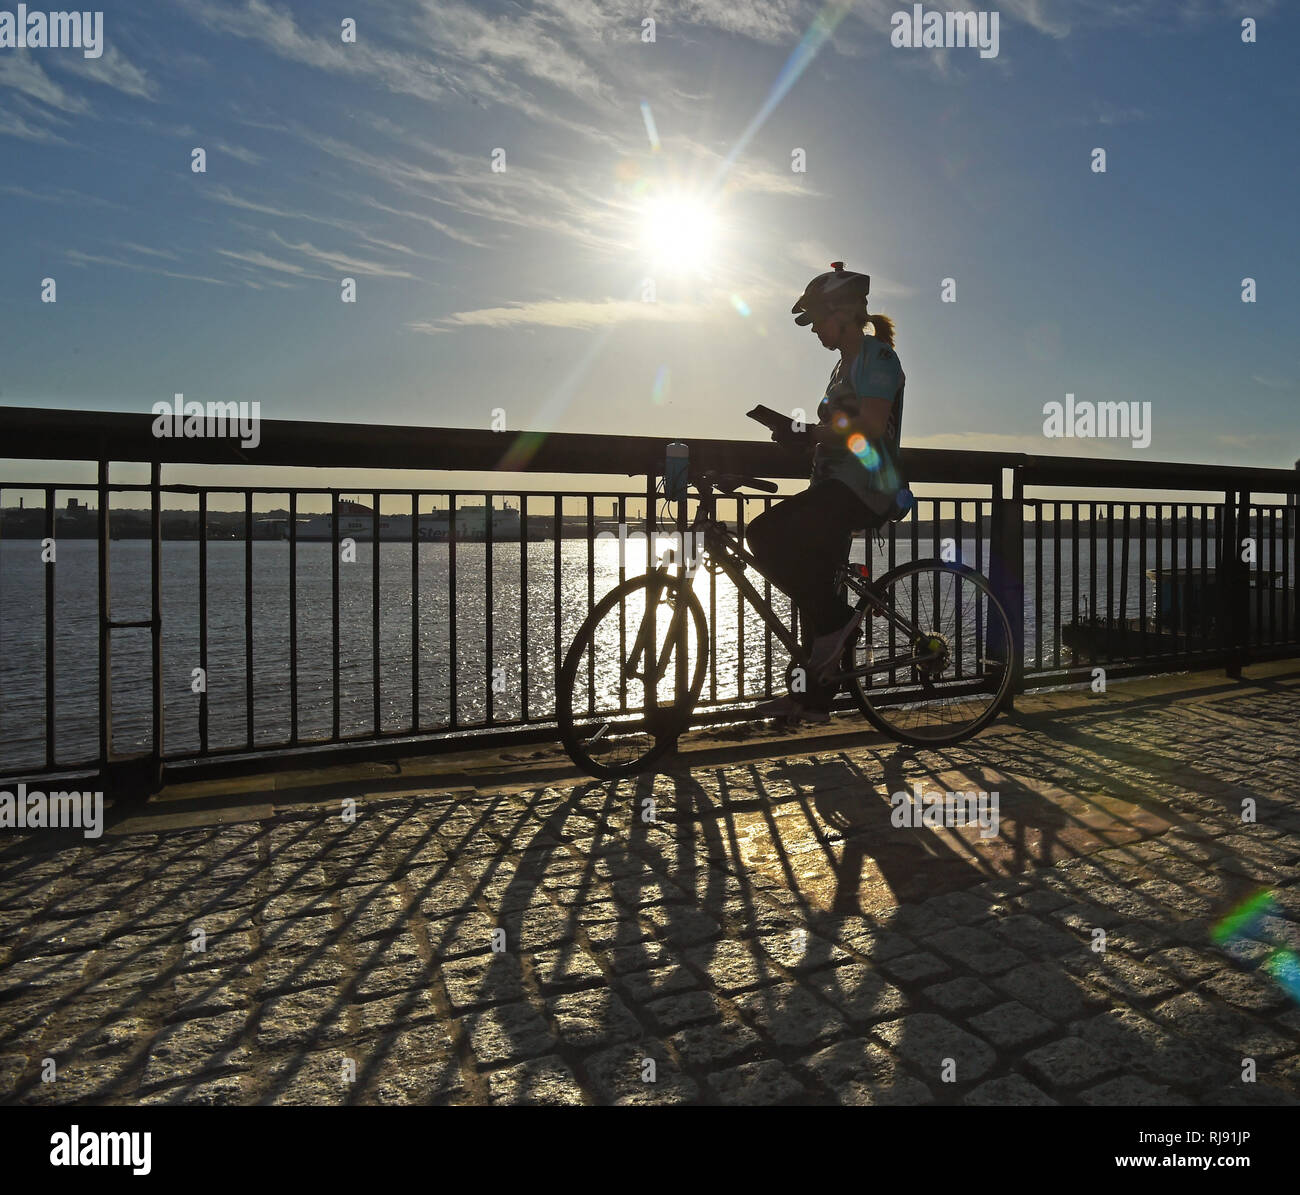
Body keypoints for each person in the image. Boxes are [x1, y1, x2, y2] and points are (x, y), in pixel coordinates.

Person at [746, 262, 907, 723]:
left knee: (766, 535)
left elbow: (871, 428)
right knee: (813, 587)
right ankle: (812, 700)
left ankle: (839, 624)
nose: (815, 329)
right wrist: (799, 434)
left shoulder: (877, 359)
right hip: (835, 485)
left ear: (842, 312)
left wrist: (811, 433)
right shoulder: (841, 367)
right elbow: (835, 428)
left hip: (866, 487)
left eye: (818, 320)